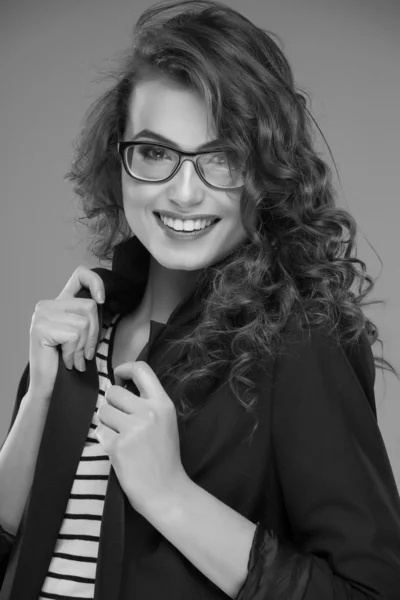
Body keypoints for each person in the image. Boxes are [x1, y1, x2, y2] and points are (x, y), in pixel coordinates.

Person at [1, 0, 400, 598]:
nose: (184, 192)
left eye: (222, 157)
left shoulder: (299, 341)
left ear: (266, 171)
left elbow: (369, 590)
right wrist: (41, 399)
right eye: (156, 153)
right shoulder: (82, 331)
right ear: (119, 162)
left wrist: (172, 497)